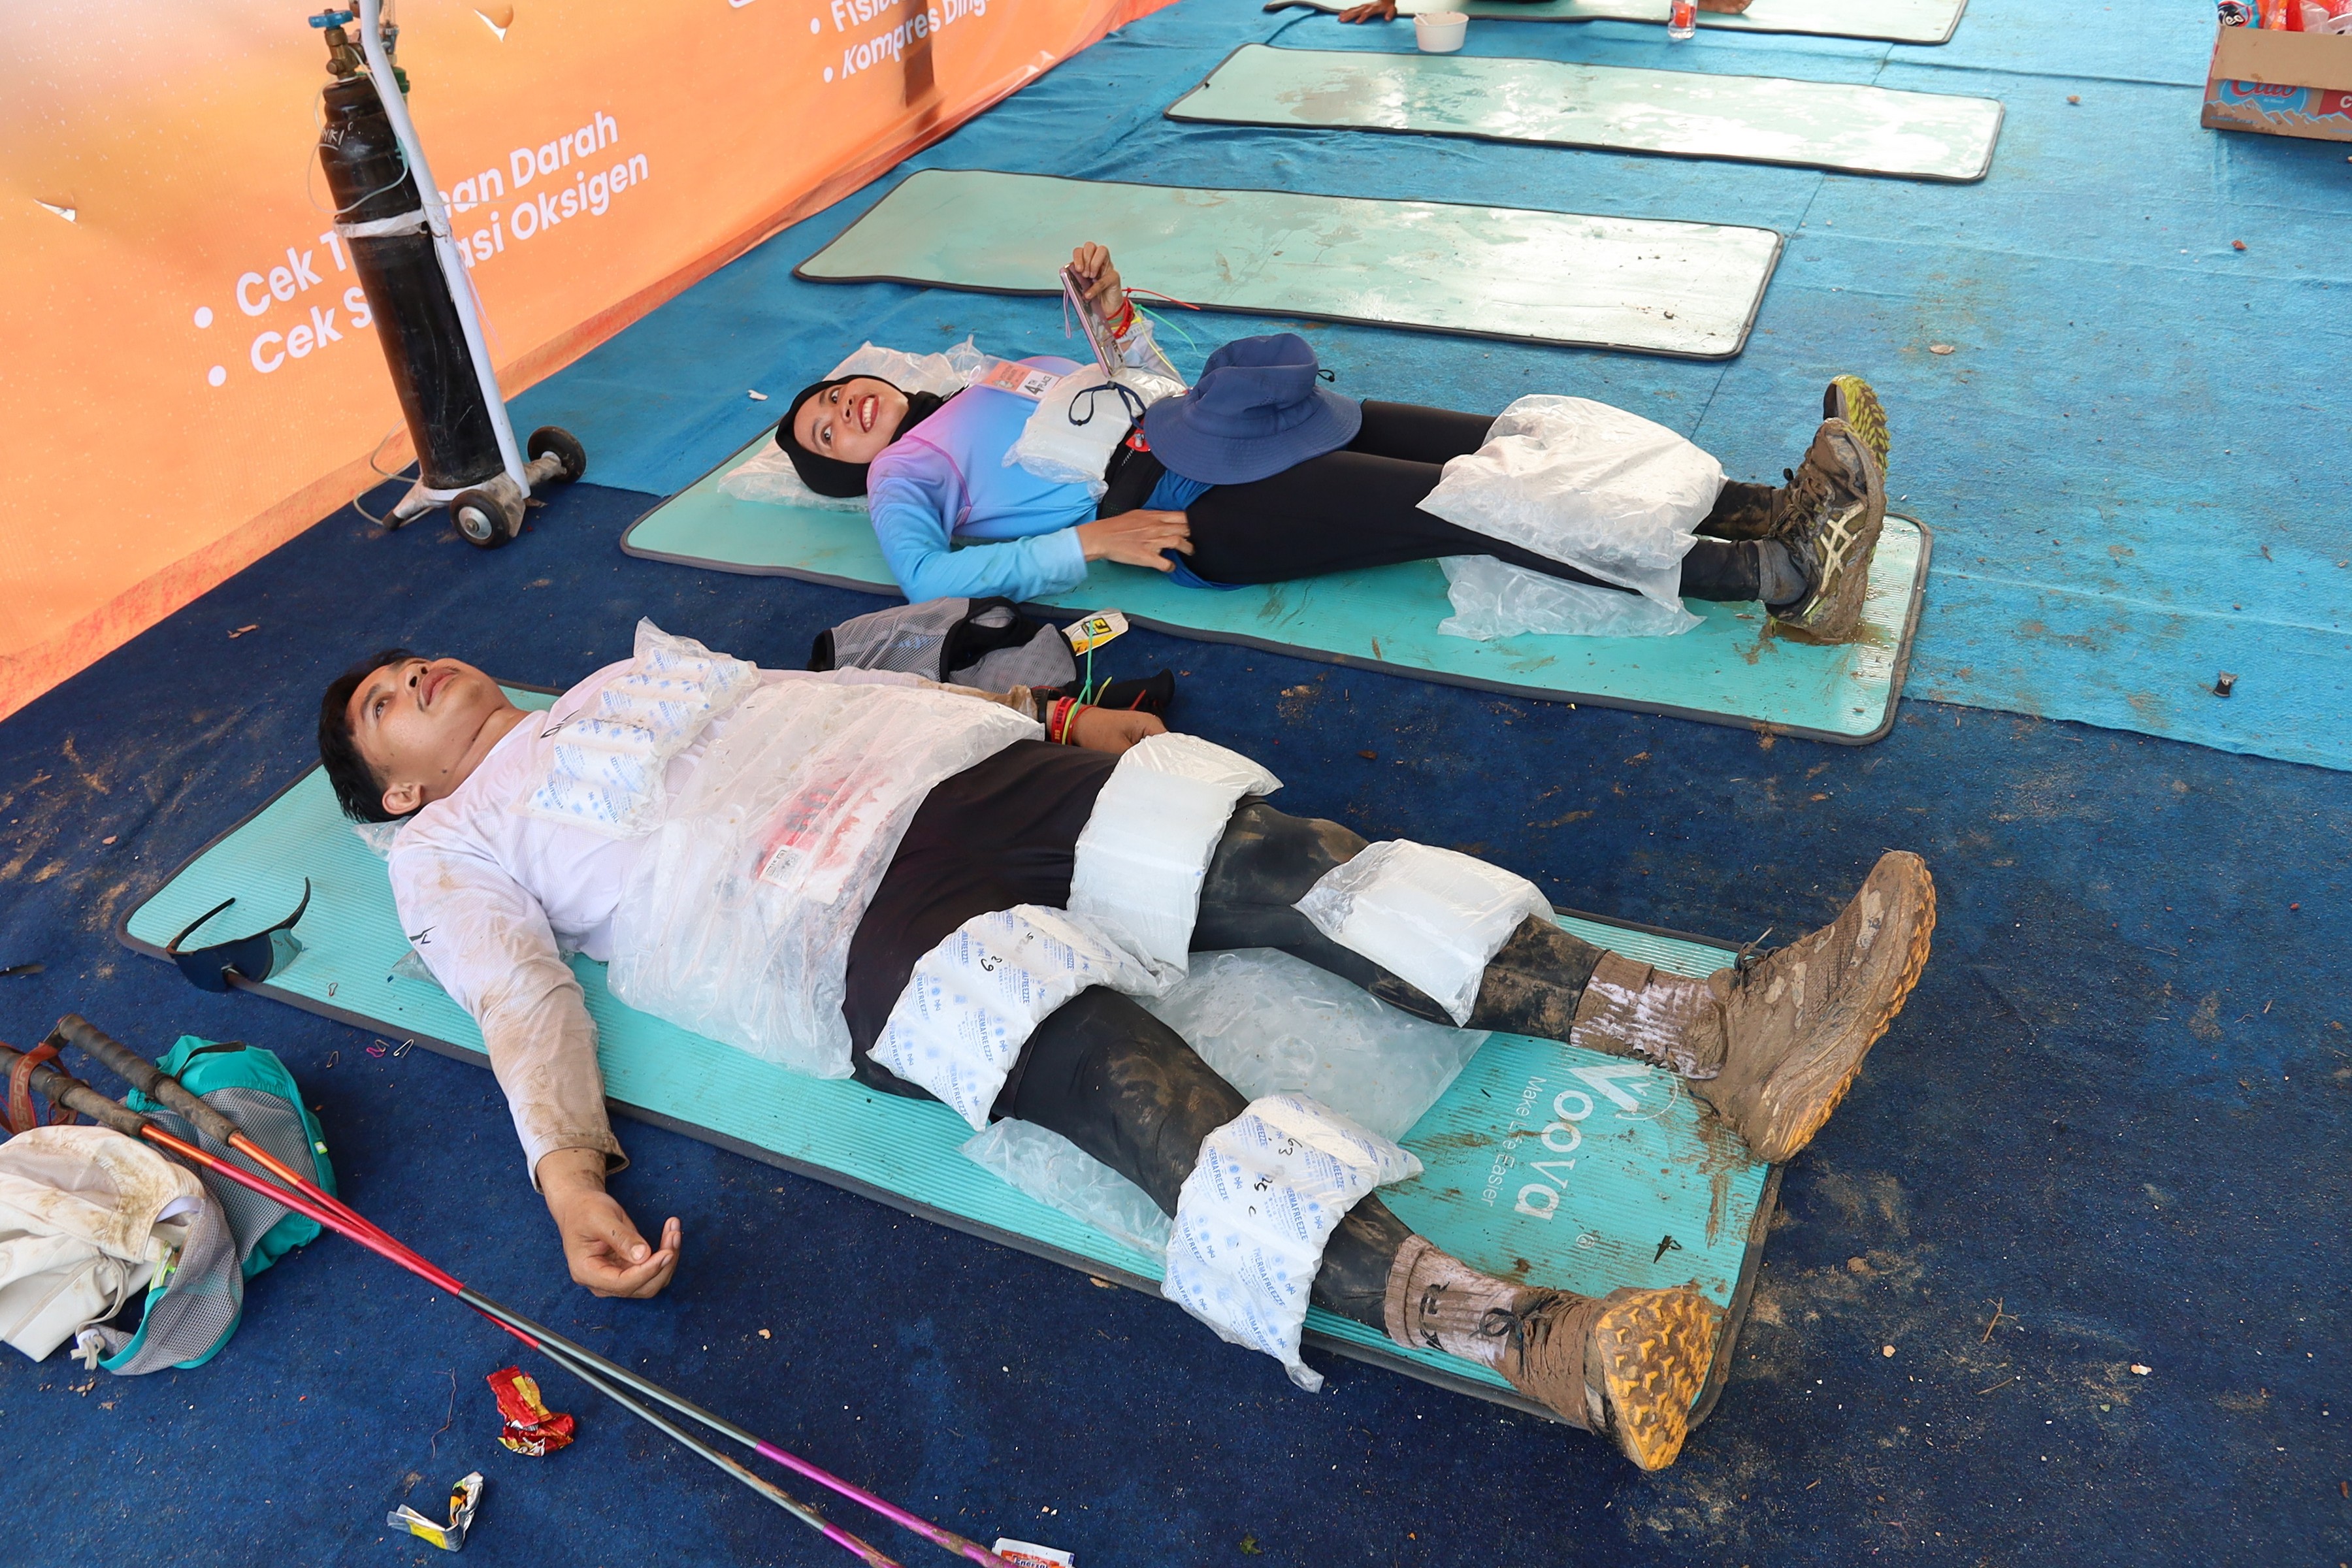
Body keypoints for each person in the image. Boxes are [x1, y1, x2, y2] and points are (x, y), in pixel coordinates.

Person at [317, 626, 1935, 1469]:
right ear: (396, 789)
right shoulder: (446, 851)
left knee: (1293, 866)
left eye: (403, 663)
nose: (411, 675)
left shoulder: (622, 671)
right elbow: (519, 1000)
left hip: (953, 776)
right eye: (386, 703)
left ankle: (1713, 1028)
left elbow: (835, 693)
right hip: (819, 923)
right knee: (1112, 1079)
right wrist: (566, 1170)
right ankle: (1526, 1336)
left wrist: (1057, 719)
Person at [778, 243, 1893, 642]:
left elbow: (1132, 386)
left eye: (831, 398)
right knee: (1466, 505)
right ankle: (1781, 576)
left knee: (1498, 441)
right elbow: (924, 578)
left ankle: (1770, 504)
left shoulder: (987, 380)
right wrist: (1095, 544)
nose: (841, 415)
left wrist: (1113, 315)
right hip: (1186, 509)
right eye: (824, 436)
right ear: (844, 469)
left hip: (1219, 422)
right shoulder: (905, 471)